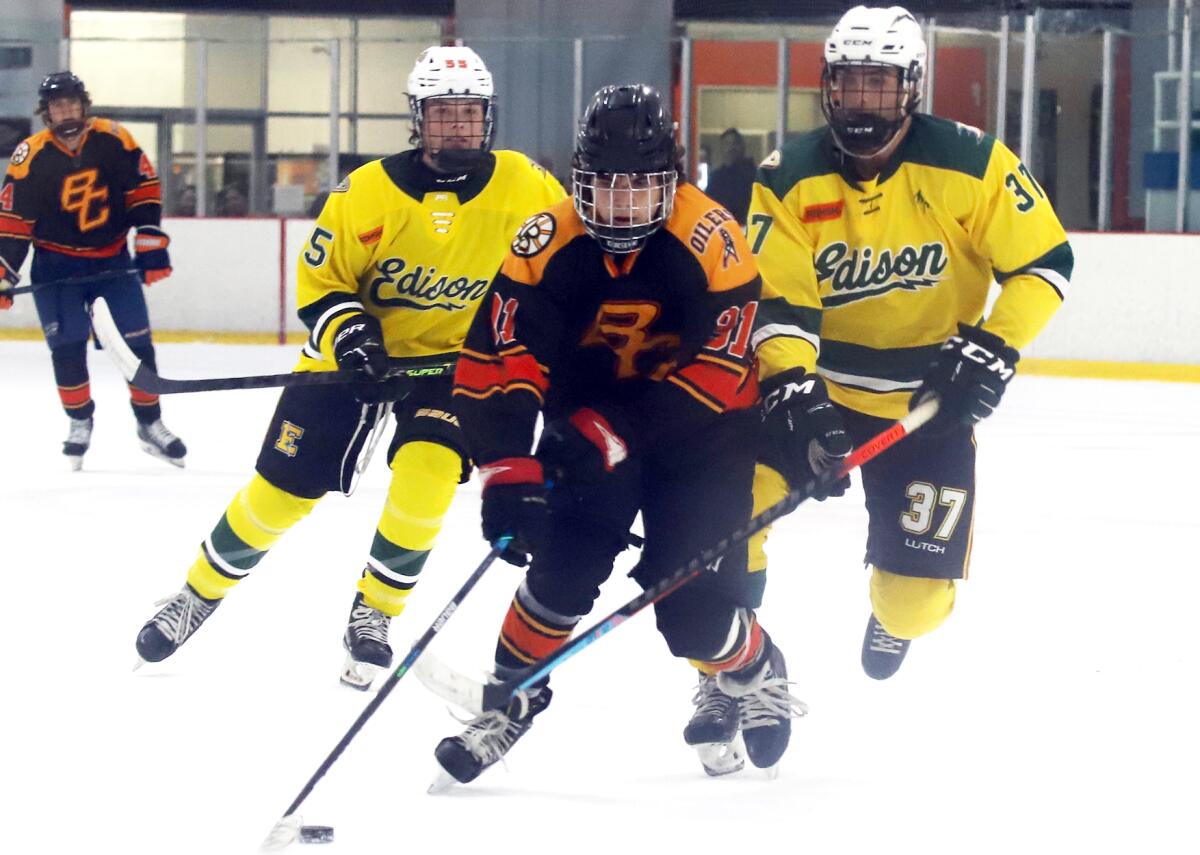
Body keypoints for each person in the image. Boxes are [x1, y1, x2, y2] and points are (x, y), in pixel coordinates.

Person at [131, 46, 565, 689]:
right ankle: (198, 593)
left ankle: (375, 613)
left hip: (451, 368)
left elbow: (561, 264)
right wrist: (357, 339)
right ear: (418, 119)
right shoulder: (366, 192)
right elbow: (321, 284)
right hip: (351, 361)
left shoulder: (528, 186)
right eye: (442, 112)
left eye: (469, 112)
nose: (457, 125)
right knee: (278, 496)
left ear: (488, 117)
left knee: (429, 474)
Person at [430, 84, 807, 789]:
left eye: (639, 189)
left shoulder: (713, 240)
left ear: (672, 180)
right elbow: (498, 358)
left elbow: (722, 373)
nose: (620, 207)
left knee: (693, 618)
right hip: (585, 430)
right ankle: (511, 695)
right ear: (579, 180)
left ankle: (758, 668)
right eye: (603, 189)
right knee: (559, 569)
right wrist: (506, 466)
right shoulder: (546, 242)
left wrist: (611, 429)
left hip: (700, 439)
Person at [746, 5, 1073, 680]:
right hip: (823, 391)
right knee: (730, 510)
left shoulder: (973, 162)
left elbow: (1045, 263)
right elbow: (780, 304)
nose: (865, 99)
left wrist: (993, 347)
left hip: (928, 407)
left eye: (882, 82)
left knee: (916, 606)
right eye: (852, 81)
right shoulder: (787, 175)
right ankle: (729, 662)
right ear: (829, 83)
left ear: (913, 85)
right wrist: (792, 386)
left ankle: (892, 614)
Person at [0, 71, 186, 469]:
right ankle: (79, 422)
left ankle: (150, 425)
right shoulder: (29, 155)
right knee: (67, 349)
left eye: (71, 102)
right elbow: (14, 224)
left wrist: (150, 240)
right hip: (55, 267)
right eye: (57, 105)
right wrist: (4, 273)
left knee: (137, 346)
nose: (65, 110)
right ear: (46, 113)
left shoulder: (115, 139)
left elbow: (143, 191)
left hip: (112, 262)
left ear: (84, 104)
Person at [705, 128, 757, 224]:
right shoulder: (716, 178)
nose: (731, 148)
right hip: (722, 227)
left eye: (735, 144)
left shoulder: (753, 176)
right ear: (722, 148)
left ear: (742, 147)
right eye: (727, 144)